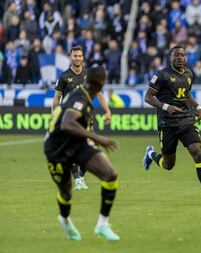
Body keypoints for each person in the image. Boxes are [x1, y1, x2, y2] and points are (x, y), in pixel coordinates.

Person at [44, 66, 120, 241]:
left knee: (110, 175)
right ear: (101, 84)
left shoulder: (85, 94)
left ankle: (102, 225)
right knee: (66, 193)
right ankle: (64, 220)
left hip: (76, 144)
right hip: (57, 149)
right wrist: (97, 138)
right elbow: (67, 124)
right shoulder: (80, 98)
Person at [142, 45, 201, 206]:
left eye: (182, 55)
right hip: (167, 123)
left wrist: (197, 106)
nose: (180, 58)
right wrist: (165, 107)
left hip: (186, 120)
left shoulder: (189, 73)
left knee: (197, 152)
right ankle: (151, 154)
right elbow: (148, 97)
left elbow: (186, 94)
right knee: (168, 165)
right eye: (176, 55)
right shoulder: (162, 74)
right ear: (170, 57)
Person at [52, 45, 112, 190]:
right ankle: (77, 179)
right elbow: (57, 98)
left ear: (83, 57)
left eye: (79, 56)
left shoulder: (89, 76)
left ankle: (81, 177)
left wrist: (107, 111)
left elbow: (99, 94)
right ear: (70, 57)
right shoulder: (64, 77)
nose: (77, 58)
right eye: (75, 56)